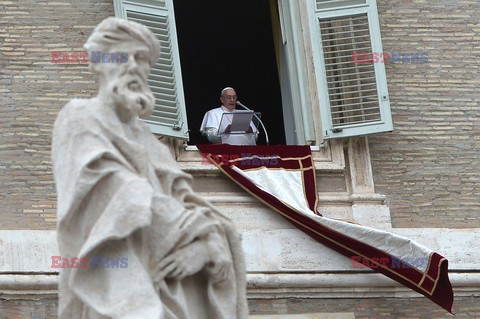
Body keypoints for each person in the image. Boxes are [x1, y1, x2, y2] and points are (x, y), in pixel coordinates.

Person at [51, 17, 248, 319]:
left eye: (141, 59)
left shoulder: (147, 139)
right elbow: (118, 195)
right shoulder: (79, 117)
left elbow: (187, 200)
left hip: (167, 285)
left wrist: (208, 244)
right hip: (116, 282)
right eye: (121, 55)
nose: (132, 66)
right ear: (100, 62)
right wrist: (199, 235)